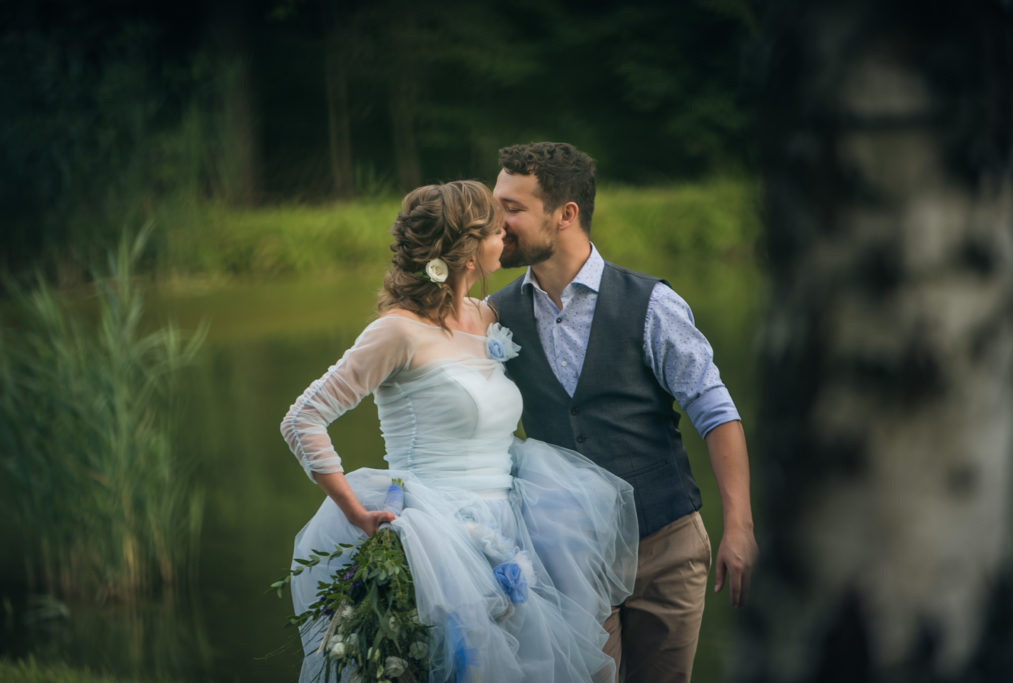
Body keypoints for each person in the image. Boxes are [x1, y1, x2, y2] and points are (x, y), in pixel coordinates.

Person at [280, 180, 638, 683]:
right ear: (467, 253)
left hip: (512, 526)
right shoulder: (396, 331)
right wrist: (353, 509)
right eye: (495, 230)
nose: (505, 237)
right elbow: (302, 418)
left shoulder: (484, 316)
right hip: (435, 536)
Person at [489, 142, 758, 683]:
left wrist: (740, 527)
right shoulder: (495, 314)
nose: (497, 221)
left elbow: (715, 411)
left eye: (512, 208)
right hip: (568, 557)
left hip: (668, 548)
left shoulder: (652, 304)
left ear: (565, 215)